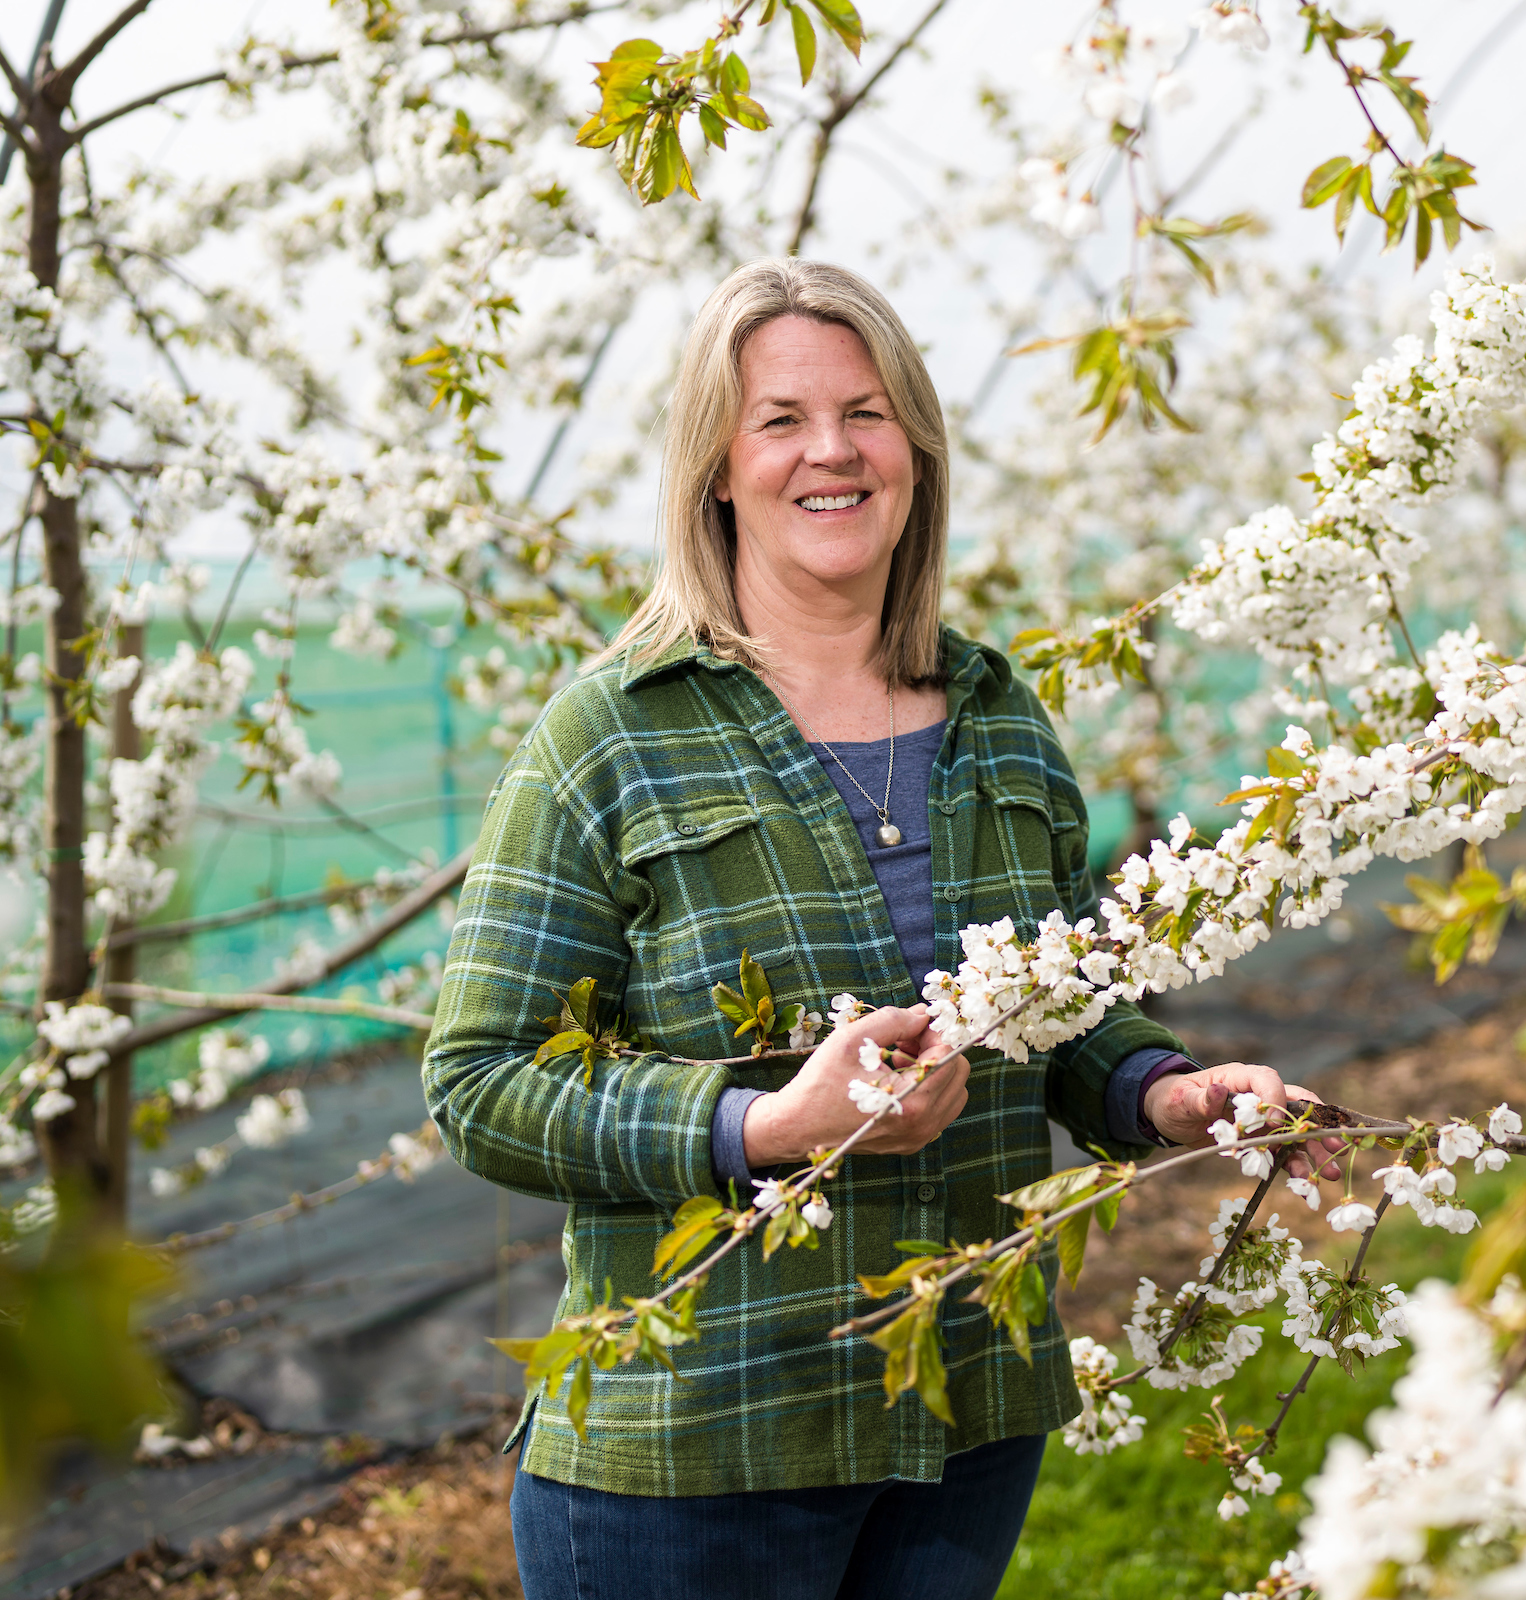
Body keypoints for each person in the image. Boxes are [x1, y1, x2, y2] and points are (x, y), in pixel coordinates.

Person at [421, 258, 1331, 1600]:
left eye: (866, 413)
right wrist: (767, 1128)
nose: (832, 451)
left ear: (916, 450)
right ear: (717, 469)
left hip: (967, 1413)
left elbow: (1059, 1004)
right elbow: (480, 1082)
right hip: (704, 1444)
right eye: (781, 420)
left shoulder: (999, 720)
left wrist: (1165, 1090)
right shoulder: (610, 740)